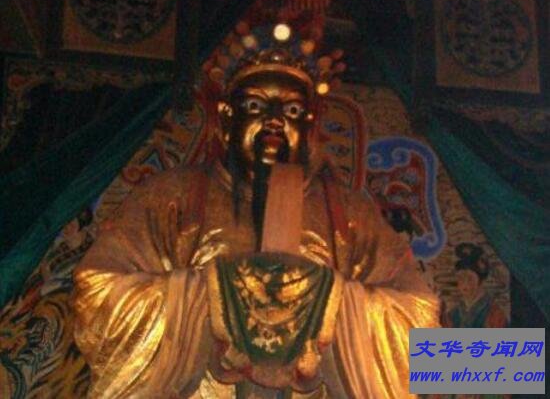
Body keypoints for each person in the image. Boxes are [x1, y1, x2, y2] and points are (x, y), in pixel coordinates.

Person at [72, 23, 439, 398]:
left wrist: (327, 299)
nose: (275, 119)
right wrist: (213, 293)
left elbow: (422, 319)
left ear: (310, 126)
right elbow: (95, 291)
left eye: (292, 110)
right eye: (255, 106)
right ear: (227, 119)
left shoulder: (351, 214)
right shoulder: (170, 196)